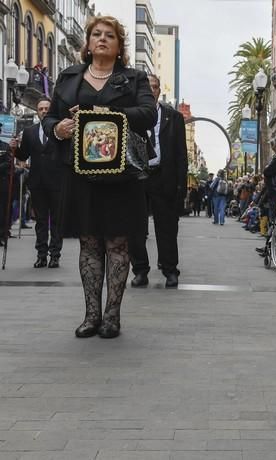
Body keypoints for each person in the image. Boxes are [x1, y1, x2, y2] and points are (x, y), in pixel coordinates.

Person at [43, 15, 156, 339]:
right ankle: (91, 315)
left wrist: (112, 115)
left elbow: (148, 114)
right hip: (80, 174)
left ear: (119, 45)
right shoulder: (68, 77)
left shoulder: (133, 79)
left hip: (120, 175)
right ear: (88, 43)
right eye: (96, 34)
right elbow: (51, 118)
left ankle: (112, 317)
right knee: (89, 243)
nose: (102, 39)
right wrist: (58, 128)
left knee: (118, 244)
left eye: (110, 35)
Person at [129, 74, 188, 289]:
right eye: (147, 87)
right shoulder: (132, 116)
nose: (151, 90)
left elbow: (182, 155)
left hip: (164, 178)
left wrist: (181, 187)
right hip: (137, 178)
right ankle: (140, 270)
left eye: (154, 87)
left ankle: (170, 269)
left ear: (159, 91)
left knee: (167, 228)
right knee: (135, 228)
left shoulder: (174, 118)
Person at [14, 96, 64, 269]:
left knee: (57, 221)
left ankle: (55, 255)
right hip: (37, 183)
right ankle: (41, 255)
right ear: (37, 111)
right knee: (41, 221)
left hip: (57, 182)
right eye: (41, 108)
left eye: (46, 108)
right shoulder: (29, 132)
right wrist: (14, 148)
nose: (44, 111)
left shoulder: (60, 130)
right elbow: (23, 156)